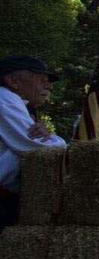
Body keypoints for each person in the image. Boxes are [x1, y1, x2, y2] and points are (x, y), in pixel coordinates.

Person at [0, 56, 67, 228]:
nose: (48, 86)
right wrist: (55, 140)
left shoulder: (15, 103)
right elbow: (37, 147)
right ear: (13, 81)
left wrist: (47, 135)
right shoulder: (5, 99)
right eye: (42, 80)